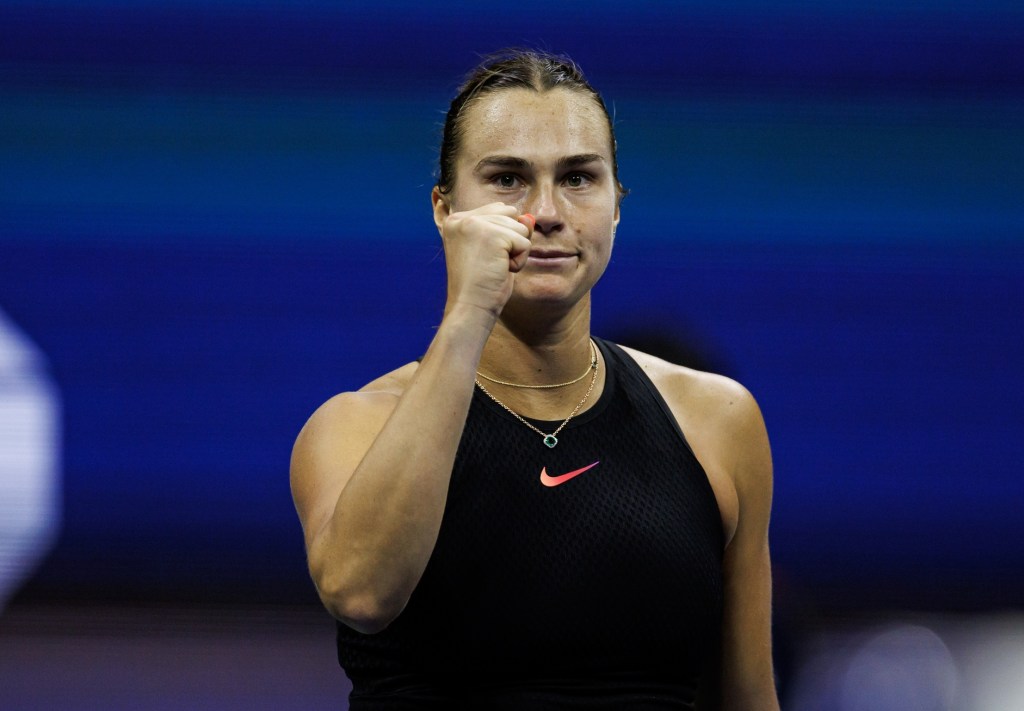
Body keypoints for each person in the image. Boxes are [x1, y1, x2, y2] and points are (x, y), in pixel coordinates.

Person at [290, 48, 779, 710]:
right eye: (508, 179)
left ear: (616, 206)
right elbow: (363, 592)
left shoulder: (718, 422)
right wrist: (467, 313)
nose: (546, 211)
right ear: (444, 209)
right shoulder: (353, 426)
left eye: (579, 178)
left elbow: (749, 697)